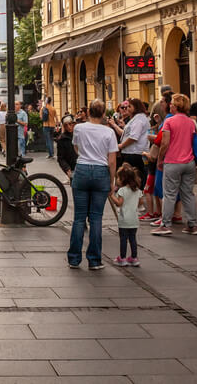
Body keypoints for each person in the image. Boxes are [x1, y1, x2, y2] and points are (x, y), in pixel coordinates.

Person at [67, 101, 118, 269]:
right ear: (103, 114)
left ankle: (74, 258)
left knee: (79, 218)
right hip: (100, 171)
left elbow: (76, 147)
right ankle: (94, 260)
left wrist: (84, 154)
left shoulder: (79, 128)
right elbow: (112, 161)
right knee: (96, 218)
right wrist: (112, 181)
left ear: (88, 112)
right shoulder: (109, 132)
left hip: (81, 170)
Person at [153, 94, 197, 236]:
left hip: (173, 162)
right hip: (189, 162)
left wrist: (160, 159)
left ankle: (165, 224)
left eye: (172, 103)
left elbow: (165, 143)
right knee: (188, 194)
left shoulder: (169, 122)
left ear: (176, 106)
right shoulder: (190, 122)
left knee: (169, 194)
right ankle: (192, 224)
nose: (170, 105)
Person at [110, 163, 142, 267]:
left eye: (118, 178)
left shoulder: (122, 190)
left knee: (123, 239)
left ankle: (122, 258)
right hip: (134, 219)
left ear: (123, 178)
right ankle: (134, 258)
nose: (117, 180)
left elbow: (119, 203)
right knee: (133, 239)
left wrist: (111, 196)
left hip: (124, 219)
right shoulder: (137, 191)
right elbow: (140, 203)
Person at [117, 98, 150, 181]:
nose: (127, 108)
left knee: (133, 178)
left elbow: (133, 137)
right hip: (132, 152)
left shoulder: (139, 119)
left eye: (129, 106)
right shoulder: (136, 118)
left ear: (136, 107)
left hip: (134, 153)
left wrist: (121, 145)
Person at [56, 115, 78, 183]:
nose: (69, 127)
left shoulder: (79, 134)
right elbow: (60, 158)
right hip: (72, 169)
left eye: (70, 124)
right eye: (66, 125)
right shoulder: (62, 139)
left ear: (74, 124)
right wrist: (67, 169)